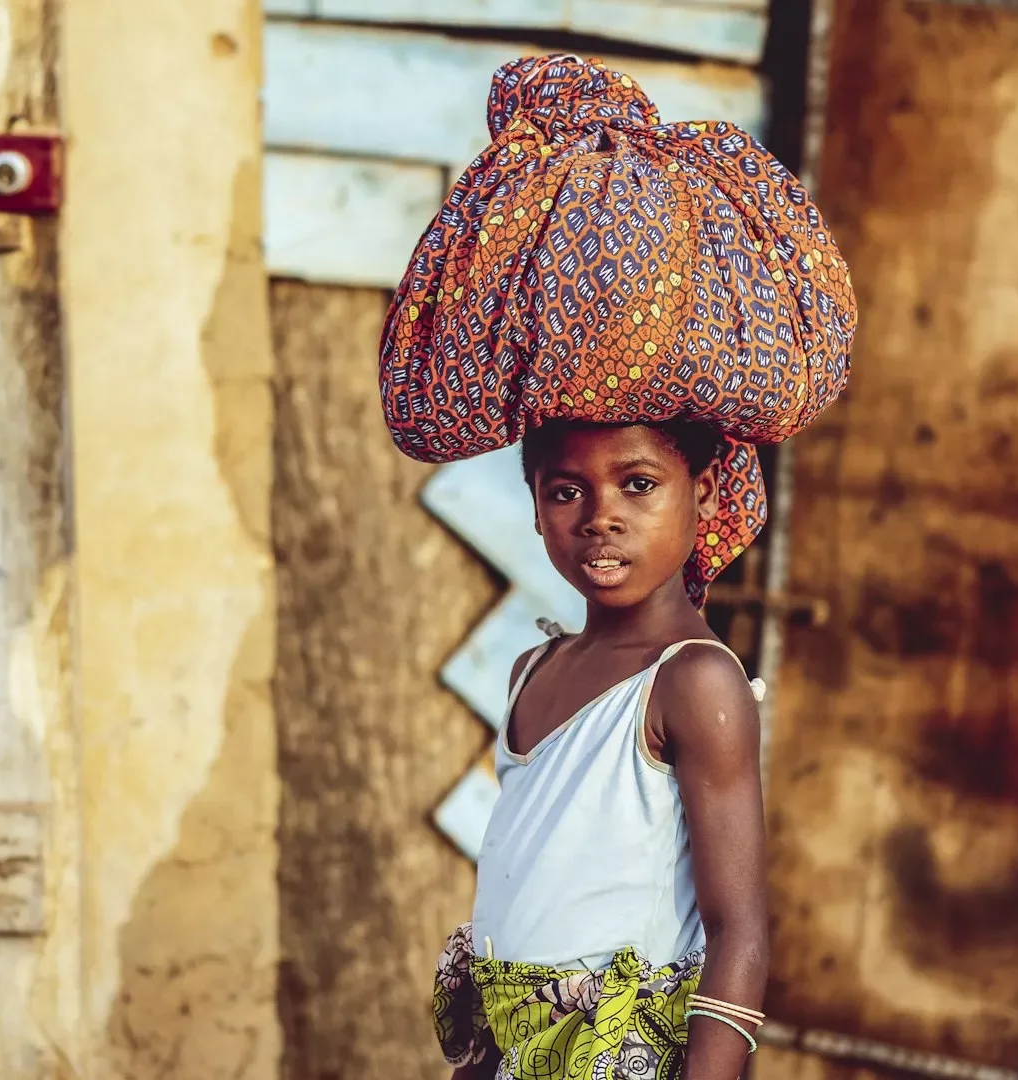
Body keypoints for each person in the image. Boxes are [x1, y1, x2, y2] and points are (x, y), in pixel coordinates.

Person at [379, 54, 856, 1080]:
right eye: (564, 491)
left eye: (638, 486)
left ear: (702, 489)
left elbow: (739, 935)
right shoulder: (530, 676)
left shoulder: (694, 684)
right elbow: (513, 914)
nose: (599, 519)